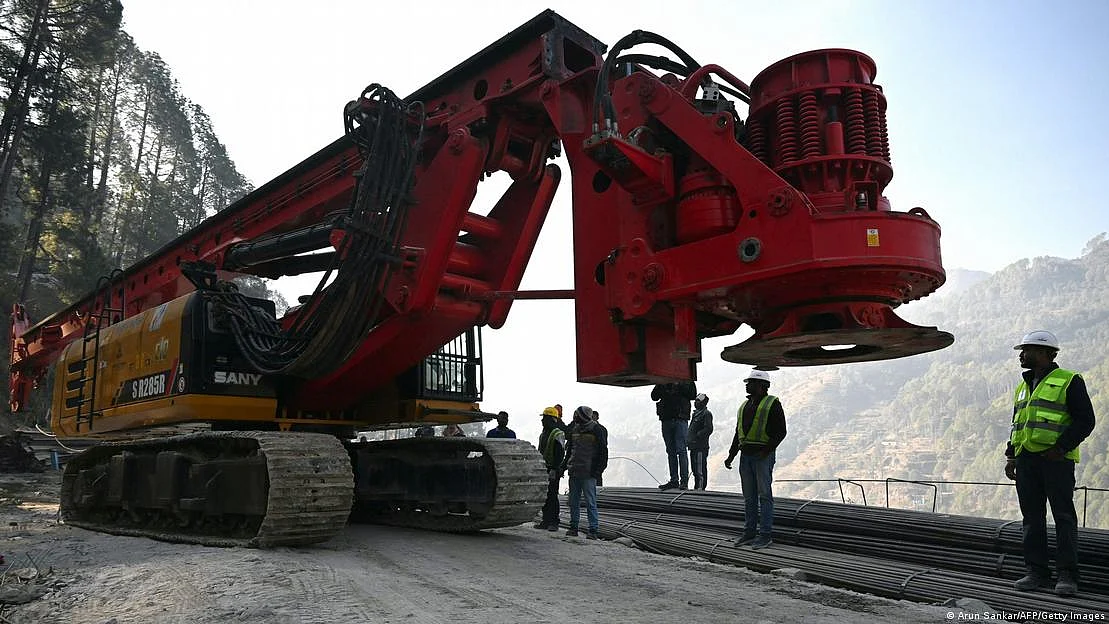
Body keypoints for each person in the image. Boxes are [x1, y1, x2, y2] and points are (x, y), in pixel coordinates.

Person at [1006, 330, 1095, 597]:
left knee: (1063, 518)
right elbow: (1017, 424)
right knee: (1032, 518)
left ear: (1045, 353)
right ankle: (1036, 572)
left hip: (1056, 462)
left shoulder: (1069, 381)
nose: (1021, 355)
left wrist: (1060, 448)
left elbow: (1086, 421)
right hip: (1027, 461)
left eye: (1027, 350)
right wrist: (1011, 456)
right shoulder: (1024, 386)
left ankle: (1067, 576)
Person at [724, 369, 786, 550]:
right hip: (746, 456)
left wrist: (766, 452)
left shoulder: (772, 404)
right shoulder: (745, 405)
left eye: (750, 382)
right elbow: (739, 433)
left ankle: (765, 535)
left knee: (764, 496)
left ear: (762, 385)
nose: (747, 385)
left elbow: (781, 432)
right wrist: (731, 454)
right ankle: (749, 533)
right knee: (749, 497)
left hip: (761, 457)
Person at [559, 406, 608, 539]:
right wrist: (564, 467)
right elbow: (570, 450)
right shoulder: (575, 429)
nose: (575, 418)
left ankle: (593, 530)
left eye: (577, 415)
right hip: (574, 471)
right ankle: (573, 527)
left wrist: (598, 471)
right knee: (573, 501)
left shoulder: (596, 430)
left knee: (590, 502)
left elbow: (603, 451)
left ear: (583, 416)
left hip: (588, 472)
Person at [651, 381, 697, 490]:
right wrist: (662, 384)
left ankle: (683, 481)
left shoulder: (685, 379)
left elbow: (692, 395)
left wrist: (678, 385)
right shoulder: (663, 379)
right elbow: (654, 396)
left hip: (679, 418)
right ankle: (674, 480)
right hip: (668, 419)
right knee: (671, 451)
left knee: (680, 450)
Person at [535, 406, 567, 531]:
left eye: (545, 418)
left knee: (552, 495)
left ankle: (554, 522)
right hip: (544, 468)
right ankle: (546, 520)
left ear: (551, 419)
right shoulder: (544, 434)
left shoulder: (557, 433)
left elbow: (560, 453)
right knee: (545, 496)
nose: (542, 421)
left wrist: (556, 469)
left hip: (553, 469)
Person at [687, 393, 713, 491]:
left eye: (698, 400)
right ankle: (697, 486)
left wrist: (698, 436)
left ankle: (700, 488)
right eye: (696, 400)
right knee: (694, 469)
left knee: (700, 469)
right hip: (693, 446)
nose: (695, 402)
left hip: (700, 447)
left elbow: (709, 429)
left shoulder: (706, 414)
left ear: (703, 402)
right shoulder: (696, 413)